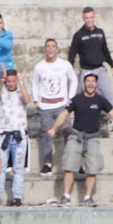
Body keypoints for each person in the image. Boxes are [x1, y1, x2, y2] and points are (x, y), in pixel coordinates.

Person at [46, 72, 113, 207]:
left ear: (96, 84)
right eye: (88, 81)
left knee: (92, 169)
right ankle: (66, 196)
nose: (90, 84)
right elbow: (64, 114)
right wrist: (54, 128)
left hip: (93, 137)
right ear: (84, 84)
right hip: (76, 136)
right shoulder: (77, 99)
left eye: (93, 81)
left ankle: (88, 197)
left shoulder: (100, 100)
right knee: (69, 166)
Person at [32, 38, 78, 175]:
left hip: (62, 105)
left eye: (53, 46)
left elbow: (73, 79)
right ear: (45, 49)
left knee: (67, 133)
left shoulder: (64, 64)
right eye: (48, 46)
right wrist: (36, 100)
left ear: (57, 49)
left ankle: (71, 162)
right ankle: (47, 164)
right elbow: (34, 83)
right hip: (45, 105)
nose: (50, 49)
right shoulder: (39, 66)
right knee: (46, 136)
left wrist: (71, 97)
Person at [0, 68, 31, 206]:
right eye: (8, 81)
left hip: (19, 134)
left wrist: (21, 82)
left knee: (18, 168)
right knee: (0, 167)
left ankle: (17, 197)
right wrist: (2, 80)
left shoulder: (21, 90)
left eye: (12, 81)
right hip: (3, 134)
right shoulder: (2, 90)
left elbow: (27, 99)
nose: (10, 83)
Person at [68, 7, 113, 108]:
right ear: (83, 19)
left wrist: (112, 65)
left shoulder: (100, 32)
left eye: (91, 17)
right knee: (79, 96)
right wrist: (69, 71)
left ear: (94, 17)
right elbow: (72, 54)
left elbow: (105, 50)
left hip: (100, 69)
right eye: (86, 18)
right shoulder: (78, 35)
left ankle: (112, 120)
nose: (89, 20)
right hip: (86, 70)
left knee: (108, 94)